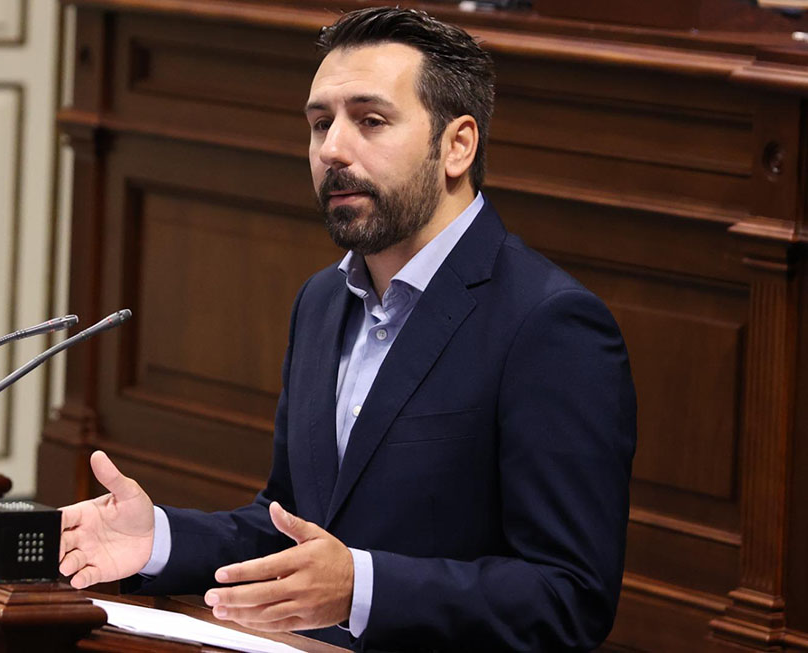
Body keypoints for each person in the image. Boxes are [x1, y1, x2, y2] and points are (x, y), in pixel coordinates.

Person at [58, 7, 636, 651]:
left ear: (457, 146)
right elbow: (291, 530)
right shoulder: (322, 301)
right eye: (319, 123)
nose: (332, 149)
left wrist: (363, 588)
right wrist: (157, 541)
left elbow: (568, 598)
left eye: (370, 121)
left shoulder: (550, 324)